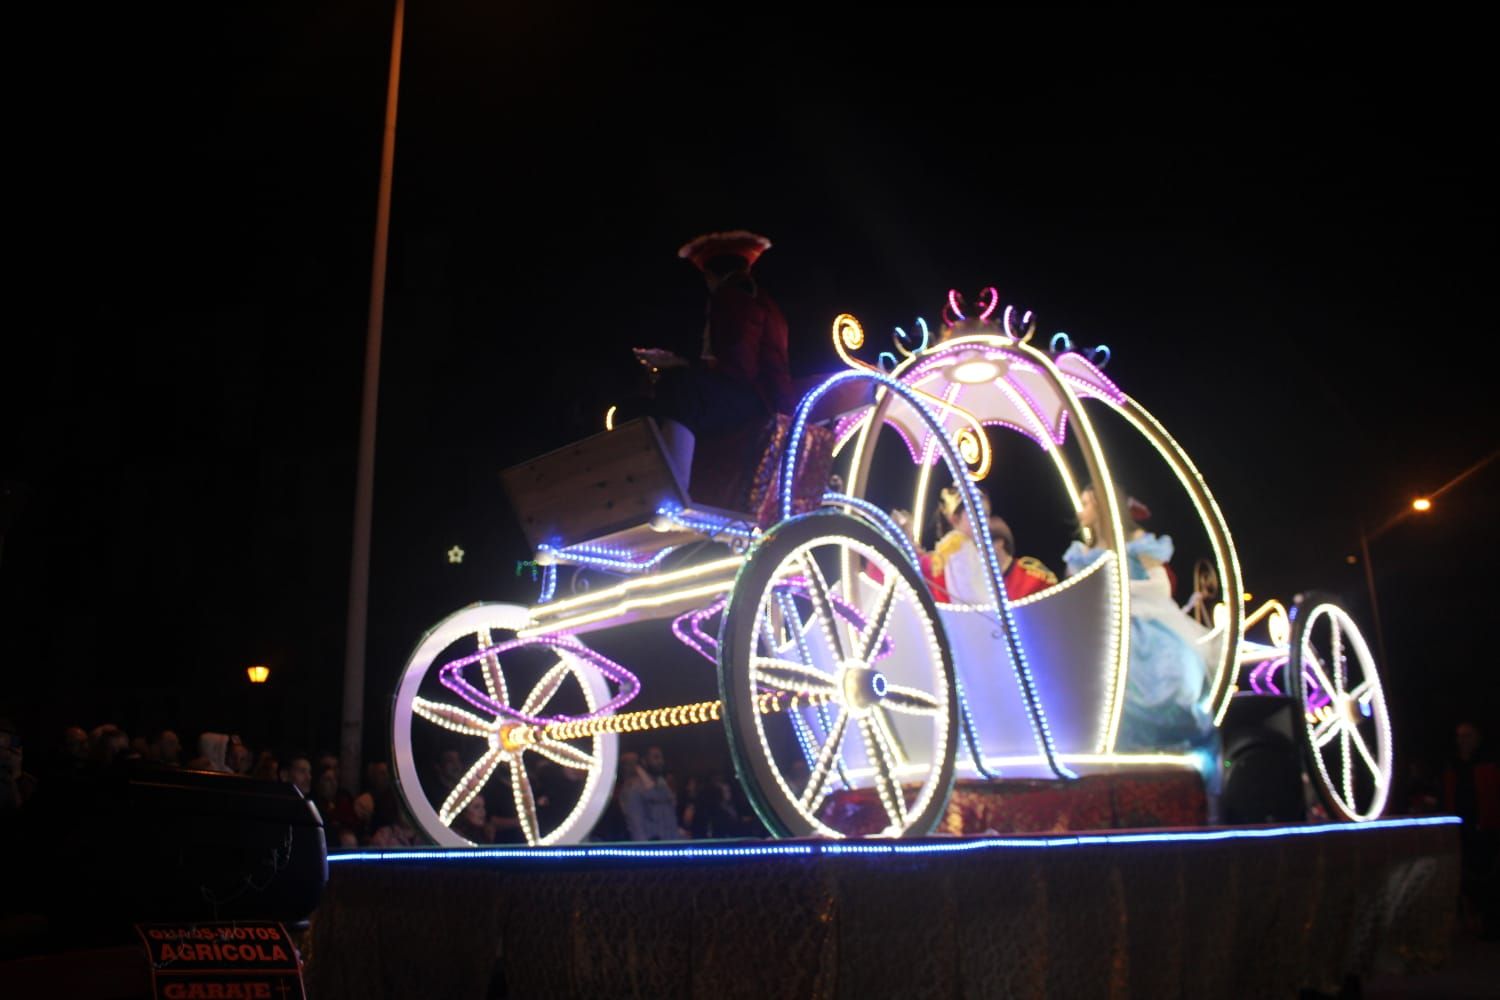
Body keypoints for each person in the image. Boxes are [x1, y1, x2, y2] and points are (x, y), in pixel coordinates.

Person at [1063, 485, 1216, 756]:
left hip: (1143, 630)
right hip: (1097, 634)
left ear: (1102, 505)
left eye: (1086, 503)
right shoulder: (1081, 554)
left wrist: (1113, 589)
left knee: (1157, 686)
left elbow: (1160, 587)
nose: (1080, 510)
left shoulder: (1136, 541)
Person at [630, 231, 791, 482]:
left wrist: (679, 364)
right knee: (680, 387)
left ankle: (673, 487)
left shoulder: (733, 297)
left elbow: (739, 367)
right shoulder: (759, 299)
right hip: (766, 399)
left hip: (759, 401)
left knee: (680, 389)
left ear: (710, 275)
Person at [622, 745, 682, 841]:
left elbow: (672, 822)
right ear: (644, 761)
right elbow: (636, 827)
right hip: (653, 850)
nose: (661, 762)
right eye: (656, 758)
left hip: (669, 847)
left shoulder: (664, 787)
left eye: (661, 758)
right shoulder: (635, 789)